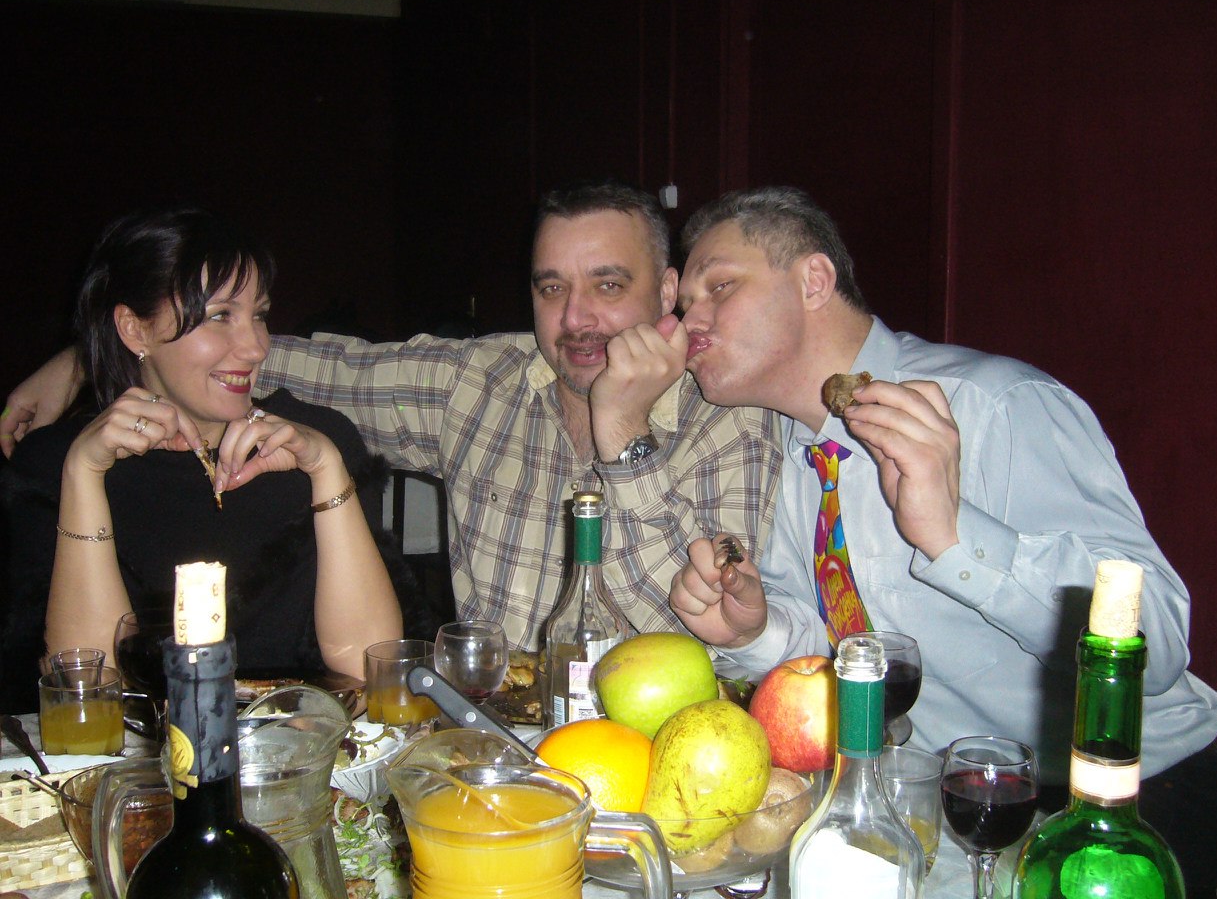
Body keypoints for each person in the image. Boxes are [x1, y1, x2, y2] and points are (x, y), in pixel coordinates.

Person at [668, 186, 1217, 894]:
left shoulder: (995, 405)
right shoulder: (792, 450)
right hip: (949, 809)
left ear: (813, 280)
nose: (689, 320)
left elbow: (1160, 642)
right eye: (684, 303)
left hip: (1122, 810)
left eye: (719, 286)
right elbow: (840, 641)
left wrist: (956, 537)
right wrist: (754, 629)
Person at [2, 182, 781, 654]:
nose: (575, 319)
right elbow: (266, 361)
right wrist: (92, 354)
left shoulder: (730, 420)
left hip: (647, 771)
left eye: (608, 286)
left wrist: (624, 435)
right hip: (486, 752)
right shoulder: (481, 383)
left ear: (667, 289)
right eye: (551, 289)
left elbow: (706, 622)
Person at [2, 207, 415, 711]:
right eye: (221, 316)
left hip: (301, 751)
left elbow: (370, 671)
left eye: (259, 314)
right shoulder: (54, 464)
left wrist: (327, 469)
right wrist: (83, 475)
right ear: (134, 329)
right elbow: (91, 698)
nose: (256, 346)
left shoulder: (316, 442)